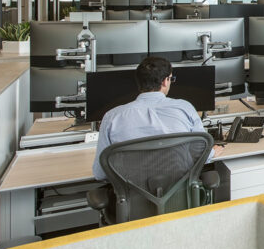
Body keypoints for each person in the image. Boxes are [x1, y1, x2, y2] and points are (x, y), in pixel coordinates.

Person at [93, 56, 221, 180]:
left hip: (133, 199)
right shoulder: (184, 108)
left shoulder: (112, 117)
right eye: (171, 78)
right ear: (165, 81)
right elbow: (201, 153)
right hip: (178, 195)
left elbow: (100, 173)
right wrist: (213, 152)